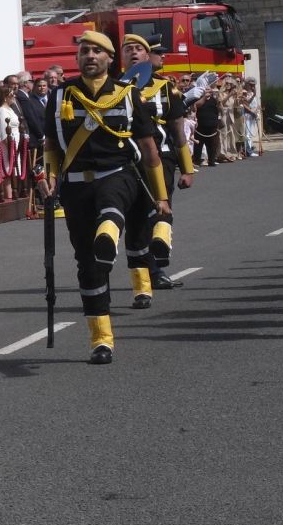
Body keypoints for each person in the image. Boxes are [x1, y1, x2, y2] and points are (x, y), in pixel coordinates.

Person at [34, 30, 171, 364]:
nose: (90, 56)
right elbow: (51, 145)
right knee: (88, 266)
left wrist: (160, 197)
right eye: (84, 51)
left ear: (111, 59)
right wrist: (48, 176)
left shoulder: (127, 95)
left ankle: (108, 236)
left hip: (119, 174)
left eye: (97, 51)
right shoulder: (61, 95)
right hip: (76, 184)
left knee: (112, 207)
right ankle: (101, 339)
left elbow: (150, 150)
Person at [119, 35, 193, 307]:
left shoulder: (166, 89)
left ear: (148, 56)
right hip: (126, 163)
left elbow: (178, 130)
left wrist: (187, 168)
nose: (134, 53)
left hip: (161, 158)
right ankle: (144, 283)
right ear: (122, 57)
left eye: (139, 49)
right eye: (128, 50)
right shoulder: (113, 88)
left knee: (161, 207)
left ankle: (159, 258)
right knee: (136, 222)